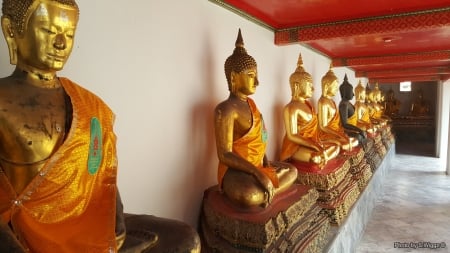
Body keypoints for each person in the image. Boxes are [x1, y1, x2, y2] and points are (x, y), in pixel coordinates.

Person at [0, 0, 200, 252]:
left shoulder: (88, 104)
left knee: (183, 238)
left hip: (88, 216)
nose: (60, 44)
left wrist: (116, 227)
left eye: (69, 34)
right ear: (10, 30)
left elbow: (102, 178)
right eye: (48, 31)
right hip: (29, 230)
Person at [214, 29, 298, 208]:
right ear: (233, 77)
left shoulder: (253, 106)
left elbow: (262, 138)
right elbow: (224, 154)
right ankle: (266, 190)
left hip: (258, 164)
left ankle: (268, 191)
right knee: (249, 195)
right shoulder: (225, 109)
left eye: (256, 76)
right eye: (251, 76)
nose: (257, 82)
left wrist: (267, 165)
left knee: (292, 170)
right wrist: (259, 175)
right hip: (236, 170)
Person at [280, 54, 340, 167]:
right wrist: (316, 146)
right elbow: (292, 136)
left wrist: (318, 144)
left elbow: (314, 131)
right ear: (297, 86)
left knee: (336, 146)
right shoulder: (290, 108)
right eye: (309, 85)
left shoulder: (308, 105)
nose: (313, 89)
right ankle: (322, 156)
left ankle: (324, 155)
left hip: (312, 142)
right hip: (295, 147)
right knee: (315, 157)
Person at [317, 65, 359, 151]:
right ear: (326, 87)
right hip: (326, 134)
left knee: (354, 140)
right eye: (335, 87)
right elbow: (323, 126)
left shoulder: (332, 102)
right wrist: (339, 135)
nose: (336, 90)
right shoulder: (323, 102)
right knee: (345, 143)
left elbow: (338, 123)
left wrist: (341, 133)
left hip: (336, 131)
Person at [338, 74, 367, 143]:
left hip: (353, 127)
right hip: (346, 130)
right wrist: (359, 130)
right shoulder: (343, 105)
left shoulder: (348, 103)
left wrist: (359, 129)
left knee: (364, 131)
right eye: (351, 92)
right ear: (346, 92)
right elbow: (345, 124)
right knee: (358, 137)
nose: (353, 94)